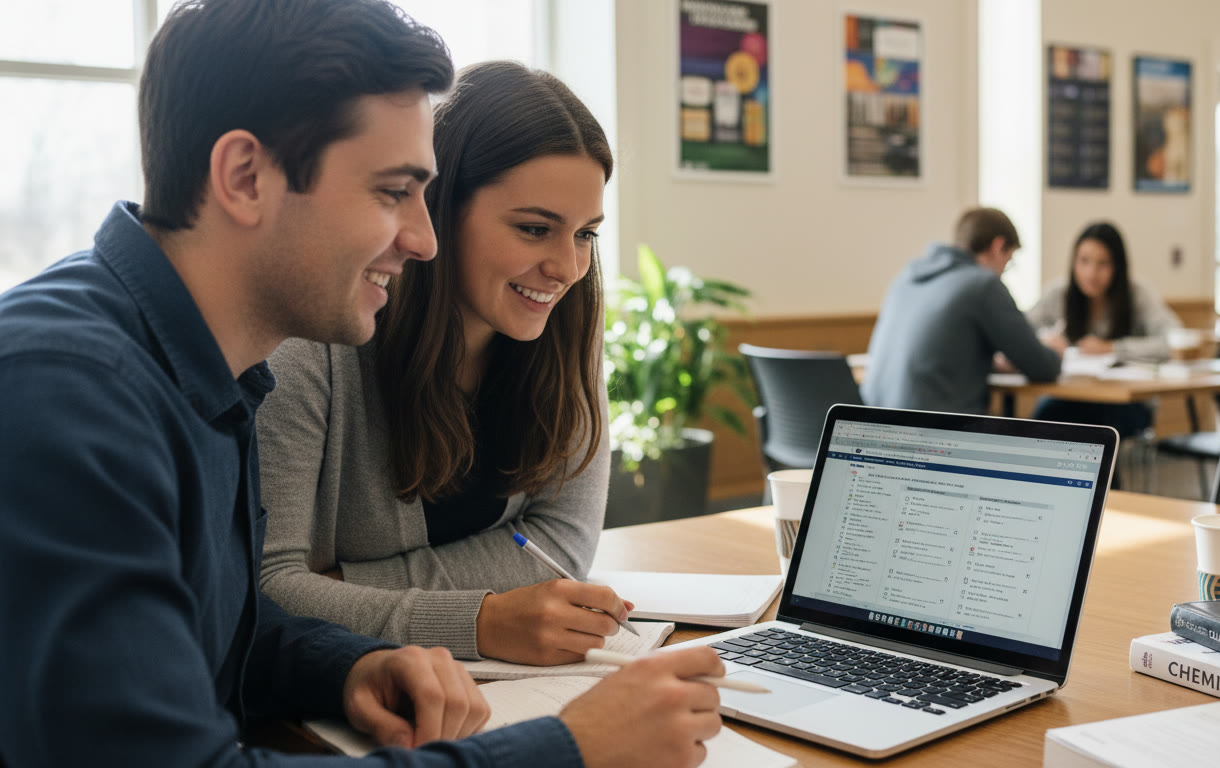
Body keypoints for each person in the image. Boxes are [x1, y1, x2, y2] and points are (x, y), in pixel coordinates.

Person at [0, 2, 723, 767]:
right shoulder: (69, 395)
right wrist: (570, 751)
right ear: (245, 177)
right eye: (392, 192)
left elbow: (220, 628)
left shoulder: (207, 368)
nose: (423, 238)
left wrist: (344, 664)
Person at [257, 61, 619, 667]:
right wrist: (475, 620)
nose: (567, 267)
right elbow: (267, 589)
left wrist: (342, 584)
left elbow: (561, 546)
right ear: (436, 210)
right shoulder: (312, 348)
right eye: (535, 229)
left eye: (586, 234)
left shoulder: (566, 336)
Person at [861, 207, 1063, 414]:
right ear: (998, 245)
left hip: (874, 420)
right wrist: (1056, 350)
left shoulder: (906, 279)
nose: (1004, 271)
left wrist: (989, 363)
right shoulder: (983, 285)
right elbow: (1042, 368)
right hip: (934, 430)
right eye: (1008, 261)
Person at [1026, 221, 1181, 437]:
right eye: (1084, 261)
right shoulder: (1059, 293)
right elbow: (1021, 331)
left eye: (1103, 264)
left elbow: (1173, 339)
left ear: (1118, 266)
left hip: (1125, 400)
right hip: (1070, 395)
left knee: (1098, 431)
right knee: (1043, 421)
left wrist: (1113, 348)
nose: (1091, 273)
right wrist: (1044, 339)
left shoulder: (1137, 294)